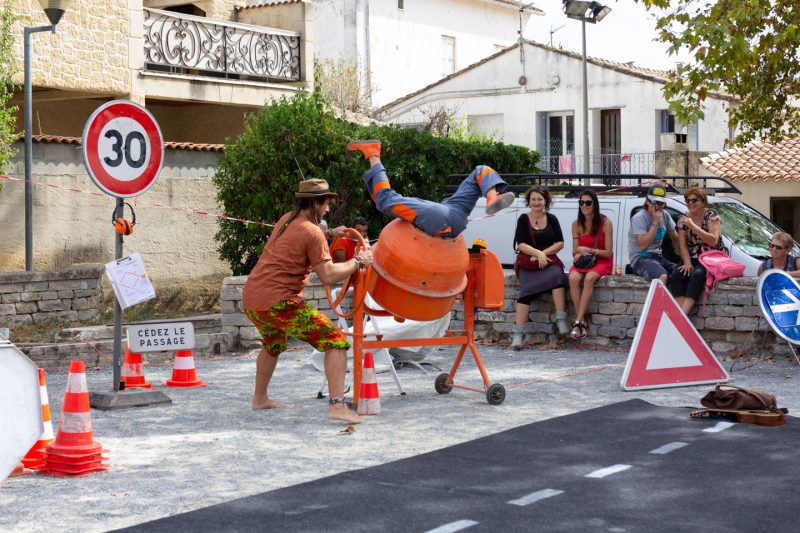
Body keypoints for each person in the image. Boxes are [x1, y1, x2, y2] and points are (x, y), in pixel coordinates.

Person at [242, 178, 373, 424]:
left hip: (252, 299)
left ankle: (259, 399)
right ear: (315, 204)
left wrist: (332, 233)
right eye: (326, 204)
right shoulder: (312, 233)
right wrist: (359, 262)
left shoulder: (287, 219)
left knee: (272, 343)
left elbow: (309, 233)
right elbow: (329, 275)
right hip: (279, 303)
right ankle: (337, 407)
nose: (328, 209)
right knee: (336, 340)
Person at [346, 140, 515, 238]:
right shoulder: (453, 206)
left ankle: (373, 153)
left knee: (386, 200)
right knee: (479, 170)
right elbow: (482, 170)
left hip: (443, 218)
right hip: (457, 213)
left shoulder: (437, 211)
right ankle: (492, 196)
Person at [510, 186, 570, 349]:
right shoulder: (523, 219)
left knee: (558, 277)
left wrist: (543, 254)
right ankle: (518, 334)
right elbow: (521, 244)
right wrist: (537, 254)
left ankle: (561, 318)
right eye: (533, 199)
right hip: (528, 262)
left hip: (548, 260)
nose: (536, 202)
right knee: (525, 292)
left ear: (546, 201)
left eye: (540, 199)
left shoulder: (552, 219)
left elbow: (560, 243)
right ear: (529, 202)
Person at [669, 187, 724, 314]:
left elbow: (713, 241)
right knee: (677, 274)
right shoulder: (683, 219)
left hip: (710, 257)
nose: (690, 203)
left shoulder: (711, 215)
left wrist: (693, 226)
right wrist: (687, 262)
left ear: (703, 202)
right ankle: (680, 314)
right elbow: (682, 245)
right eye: (687, 201)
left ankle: (682, 315)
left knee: (697, 274)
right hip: (692, 257)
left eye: (694, 200)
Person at [568, 189, 614, 340]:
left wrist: (591, 250)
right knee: (573, 278)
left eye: (588, 203)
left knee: (589, 278)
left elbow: (608, 252)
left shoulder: (606, 222)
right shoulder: (576, 224)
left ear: (595, 204)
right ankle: (582, 321)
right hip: (585, 261)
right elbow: (574, 251)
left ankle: (578, 322)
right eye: (581, 202)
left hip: (601, 259)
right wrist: (579, 251)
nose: (584, 206)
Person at [628, 183, 679, 284]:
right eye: (654, 202)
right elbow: (642, 245)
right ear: (647, 201)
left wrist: (685, 260)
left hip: (658, 256)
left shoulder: (665, 215)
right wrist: (655, 223)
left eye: (661, 203)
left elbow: (676, 239)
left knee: (681, 273)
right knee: (662, 276)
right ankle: (656, 295)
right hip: (640, 258)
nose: (657, 206)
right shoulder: (639, 218)